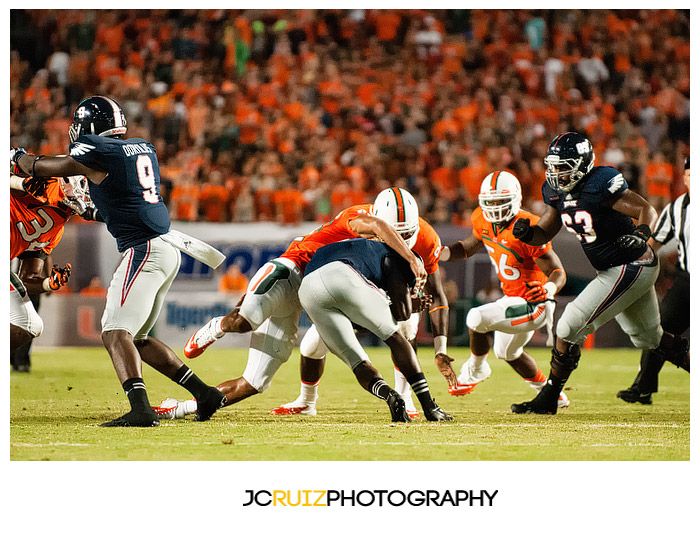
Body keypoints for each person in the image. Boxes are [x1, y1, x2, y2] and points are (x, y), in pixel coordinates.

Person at [11, 95, 225, 427]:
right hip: (163, 248)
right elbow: (119, 205)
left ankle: (141, 410)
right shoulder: (142, 146)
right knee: (137, 338)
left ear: (91, 128)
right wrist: (87, 208)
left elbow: (44, 167)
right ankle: (204, 394)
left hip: (144, 250)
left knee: (114, 331)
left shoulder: (98, 150)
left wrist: (19, 157)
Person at [161, 188, 428, 420]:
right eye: (396, 234)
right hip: (290, 271)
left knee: (255, 382)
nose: (399, 241)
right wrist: (412, 259)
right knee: (243, 323)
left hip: (312, 294)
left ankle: (180, 408)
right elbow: (378, 228)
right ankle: (218, 325)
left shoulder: (380, 253)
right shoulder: (360, 218)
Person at [509, 132, 689, 414]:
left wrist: (641, 235)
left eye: (564, 166)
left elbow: (645, 209)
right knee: (649, 339)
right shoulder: (556, 192)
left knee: (567, 327)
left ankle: (549, 397)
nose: (557, 172)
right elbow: (545, 230)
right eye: (553, 166)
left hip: (632, 263)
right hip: (614, 269)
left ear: (582, 164)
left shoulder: (599, 184)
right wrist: (529, 233)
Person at [270, 187, 455, 418]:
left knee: (406, 328)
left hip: (378, 292)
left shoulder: (426, 238)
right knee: (311, 346)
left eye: (406, 235)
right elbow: (311, 249)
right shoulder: (354, 222)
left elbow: (433, 294)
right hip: (351, 287)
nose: (400, 242)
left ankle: (405, 396)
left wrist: (440, 348)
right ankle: (307, 401)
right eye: (392, 234)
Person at [439, 171, 569, 407]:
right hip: (512, 299)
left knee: (476, 317)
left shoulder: (528, 227)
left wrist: (549, 290)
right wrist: (440, 252)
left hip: (535, 302)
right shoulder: (481, 219)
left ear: (516, 199)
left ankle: (477, 369)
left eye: (501, 201)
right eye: (491, 202)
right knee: (507, 353)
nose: (496, 208)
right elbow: (467, 247)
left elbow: (558, 272)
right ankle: (554, 396)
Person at [296, 238, 452, 422]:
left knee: (356, 361)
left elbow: (360, 326)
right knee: (395, 338)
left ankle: (390, 396)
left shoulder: (360, 250)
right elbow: (402, 314)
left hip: (308, 290)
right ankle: (429, 406)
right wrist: (410, 304)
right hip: (343, 274)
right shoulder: (399, 257)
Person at [617, 156, 690, 404]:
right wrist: (635, 260)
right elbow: (654, 243)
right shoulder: (676, 208)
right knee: (658, 333)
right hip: (687, 281)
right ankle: (643, 387)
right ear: (684, 177)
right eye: (689, 174)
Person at [10, 171, 83, 356]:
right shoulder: (46, 183)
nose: (86, 196)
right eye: (83, 187)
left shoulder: (56, 230)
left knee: (31, 325)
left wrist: (48, 283)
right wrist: (20, 182)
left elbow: (27, 278)